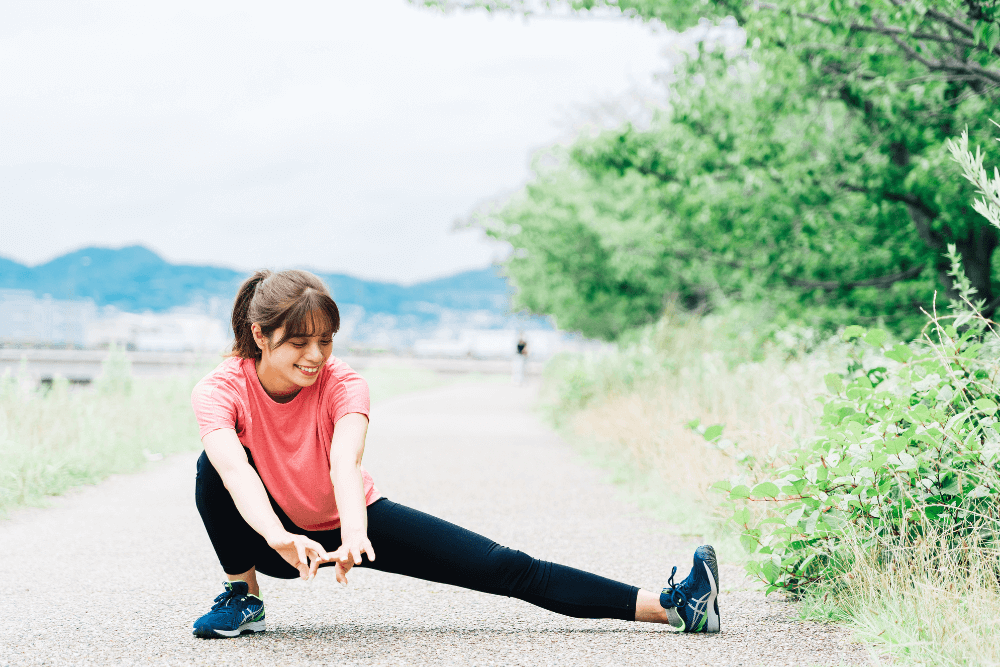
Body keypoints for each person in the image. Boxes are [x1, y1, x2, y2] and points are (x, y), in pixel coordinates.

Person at [190, 269, 721, 639]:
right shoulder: (221, 390)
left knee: (507, 568)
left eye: (325, 340)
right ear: (260, 335)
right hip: (272, 537)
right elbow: (234, 471)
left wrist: (355, 534)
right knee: (208, 467)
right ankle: (243, 596)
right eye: (299, 342)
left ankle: (675, 608)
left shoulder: (342, 384)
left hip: (352, 518)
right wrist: (278, 536)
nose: (315, 356)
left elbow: (343, 463)